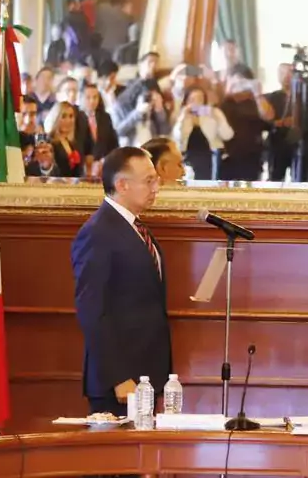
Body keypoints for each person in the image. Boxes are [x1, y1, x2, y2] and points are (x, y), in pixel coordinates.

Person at [71, 147, 171, 418]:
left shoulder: (134, 227)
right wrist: (118, 377)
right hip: (119, 382)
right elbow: (92, 311)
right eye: (149, 180)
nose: (156, 187)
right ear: (122, 185)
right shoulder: (98, 232)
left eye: (156, 179)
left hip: (146, 374)